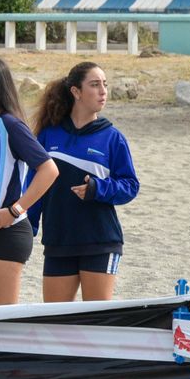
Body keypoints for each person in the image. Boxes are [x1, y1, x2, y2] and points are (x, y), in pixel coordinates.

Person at [31, 62, 138, 302]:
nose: (103, 91)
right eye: (95, 84)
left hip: (101, 242)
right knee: (55, 324)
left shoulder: (112, 138)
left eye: (105, 85)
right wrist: (28, 229)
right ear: (76, 92)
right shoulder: (49, 135)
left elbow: (130, 186)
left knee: (95, 323)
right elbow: (34, 185)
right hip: (59, 240)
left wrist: (98, 189)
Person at [0, 57, 59, 304]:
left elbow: (49, 170)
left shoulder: (11, 126)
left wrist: (14, 210)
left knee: (1, 321)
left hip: (7, 232)